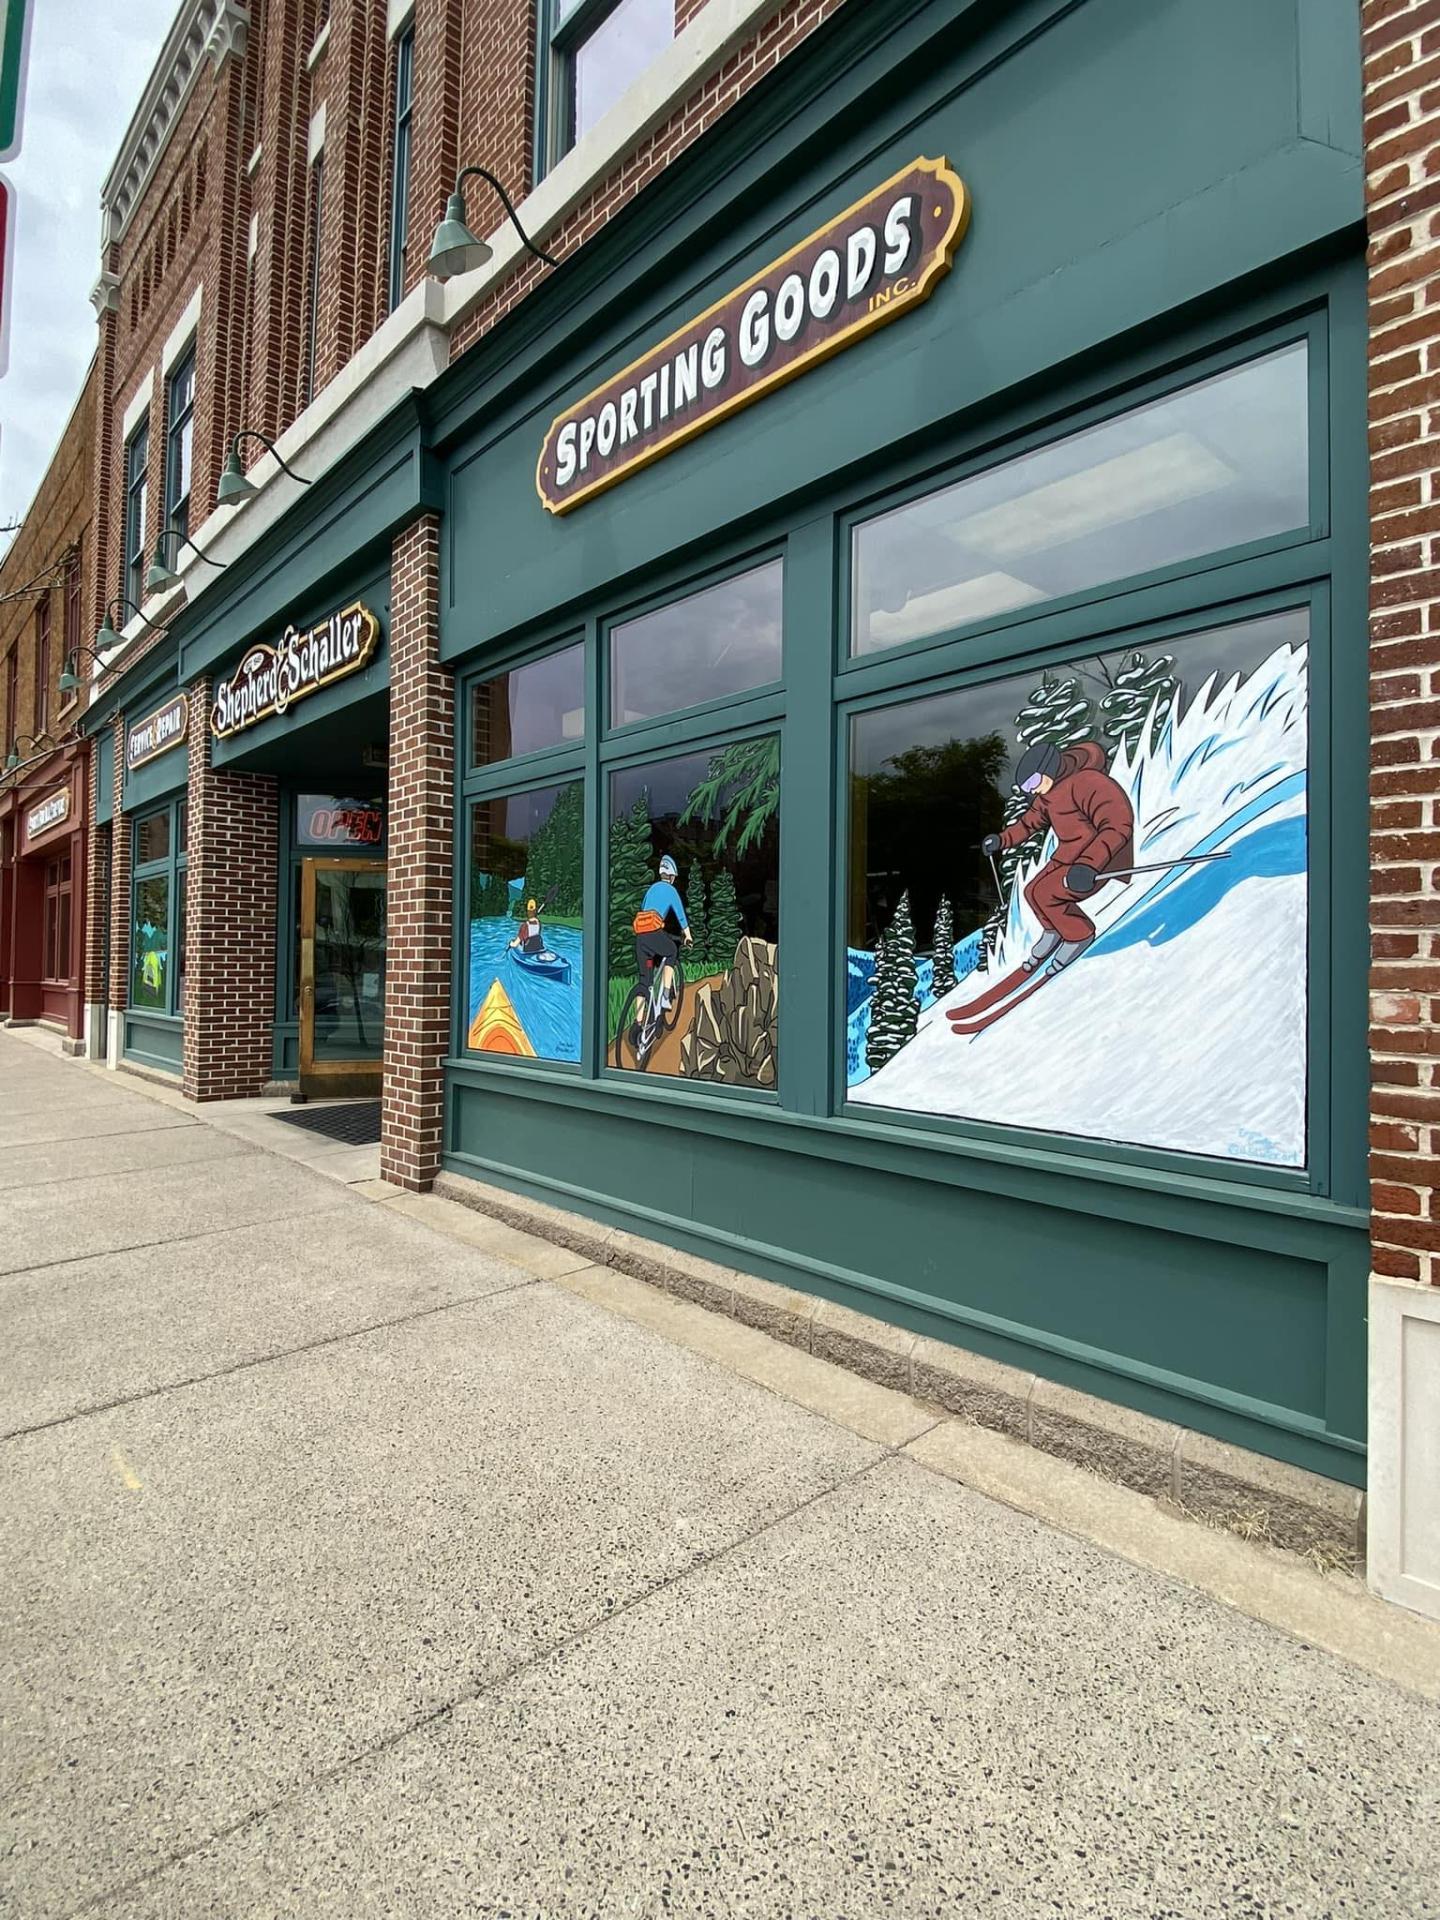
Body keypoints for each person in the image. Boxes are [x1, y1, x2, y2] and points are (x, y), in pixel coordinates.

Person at [982, 738, 1134, 975]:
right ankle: (1053, 931)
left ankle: (1079, 934)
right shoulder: (1048, 795)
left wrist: (1089, 864)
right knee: (1031, 891)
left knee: (1047, 893)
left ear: (1049, 768)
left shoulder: (1088, 782)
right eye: (1027, 787)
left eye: (1033, 782)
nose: (1032, 790)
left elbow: (1117, 825)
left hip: (1097, 860)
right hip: (1069, 856)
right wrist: (1002, 840)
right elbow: (1027, 824)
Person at [632, 853, 693, 1011]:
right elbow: (680, 916)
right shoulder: (671, 891)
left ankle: (638, 1025)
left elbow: (644, 909)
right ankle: (666, 996)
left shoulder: (651, 889)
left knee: (644, 980)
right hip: (654, 933)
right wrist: (688, 936)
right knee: (672, 951)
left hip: (641, 937)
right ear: (672, 876)